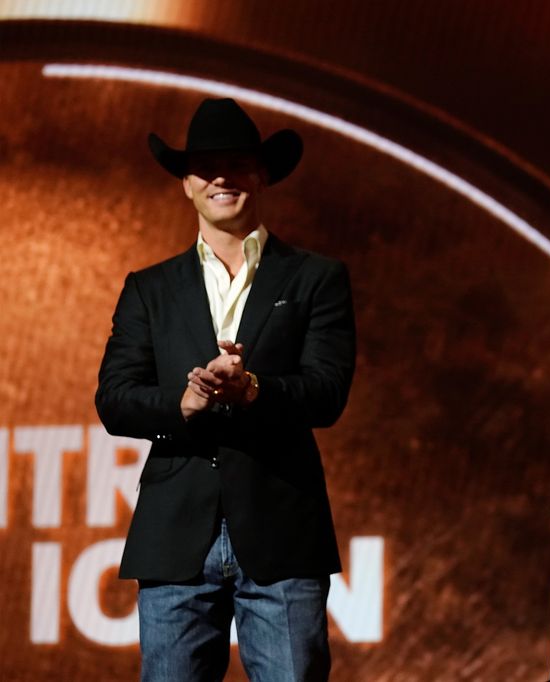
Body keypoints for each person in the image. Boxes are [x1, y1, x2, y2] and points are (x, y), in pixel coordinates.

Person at [95, 98, 356, 681]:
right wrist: (182, 403)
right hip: (174, 536)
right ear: (187, 183)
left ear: (261, 175)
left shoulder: (316, 277)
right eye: (206, 166)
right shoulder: (149, 288)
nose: (221, 177)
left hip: (282, 533)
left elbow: (328, 392)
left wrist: (255, 390)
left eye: (237, 163)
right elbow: (113, 398)